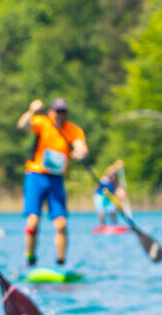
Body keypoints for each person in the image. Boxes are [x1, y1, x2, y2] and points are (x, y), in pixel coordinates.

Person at [16, 97, 87, 266]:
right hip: (36, 176)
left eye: (63, 112)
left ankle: (61, 263)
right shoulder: (43, 122)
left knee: (61, 224)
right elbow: (22, 124)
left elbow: (81, 146)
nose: (60, 115)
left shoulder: (73, 130)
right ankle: (30, 259)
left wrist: (80, 153)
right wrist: (32, 110)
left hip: (56, 179)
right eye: (57, 111)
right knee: (33, 221)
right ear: (51, 112)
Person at [91, 158, 129, 230]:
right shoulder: (105, 179)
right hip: (100, 197)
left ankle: (114, 226)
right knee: (102, 212)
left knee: (114, 210)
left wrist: (124, 194)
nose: (113, 177)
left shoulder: (116, 184)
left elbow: (120, 192)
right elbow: (109, 171)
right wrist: (117, 165)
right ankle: (102, 226)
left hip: (109, 197)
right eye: (111, 175)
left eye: (114, 175)